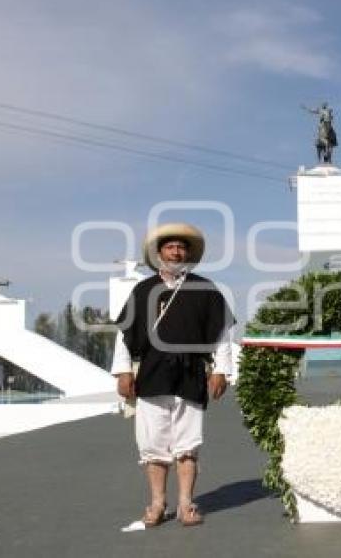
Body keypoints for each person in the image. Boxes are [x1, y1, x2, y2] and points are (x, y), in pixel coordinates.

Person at [111, 223, 235, 527]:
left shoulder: (205, 288)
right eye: (170, 247)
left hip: (190, 374)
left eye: (181, 247)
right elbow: (124, 335)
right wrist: (123, 370)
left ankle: (185, 505)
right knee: (152, 443)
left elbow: (221, 335)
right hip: (152, 374)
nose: (176, 251)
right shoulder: (143, 290)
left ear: (188, 253)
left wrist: (221, 370)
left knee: (187, 442)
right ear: (159, 253)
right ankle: (157, 503)